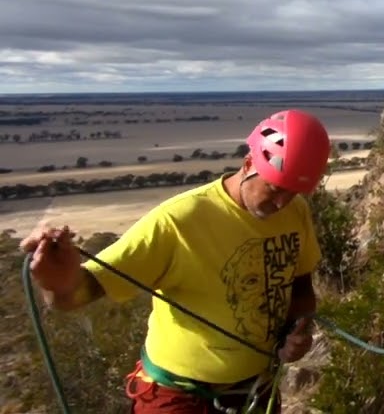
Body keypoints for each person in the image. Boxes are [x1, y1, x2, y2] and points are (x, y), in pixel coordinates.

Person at [21, 109, 332, 413]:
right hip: (179, 396)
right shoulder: (178, 221)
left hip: (256, 390)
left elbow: (300, 283)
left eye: (294, 192)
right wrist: (57, 285)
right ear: (248, 162)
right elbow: (78, 293)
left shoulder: (295, 212)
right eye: (275, 189)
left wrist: (297, 329)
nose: (282, 203)